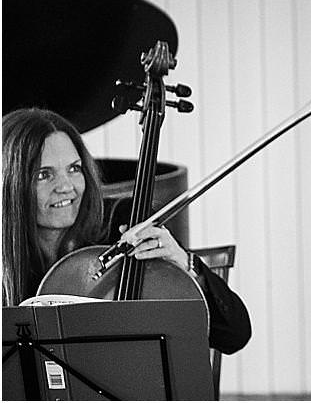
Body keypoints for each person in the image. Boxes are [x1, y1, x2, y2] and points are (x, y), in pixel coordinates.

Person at [2, 108, 251, 354]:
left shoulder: (122, 224)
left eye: (74, 169)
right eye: (44, 175)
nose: (66, 186)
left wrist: (185, 264)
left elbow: (234, 336)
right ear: (10, 184)